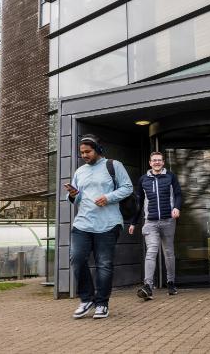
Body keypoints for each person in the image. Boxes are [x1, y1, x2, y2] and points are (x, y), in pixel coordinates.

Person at [65, 134, 133, 319]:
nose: (85, 155)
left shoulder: (114, 165)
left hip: (108, 223)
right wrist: (72, 194)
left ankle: (102, 303)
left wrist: (108, 197)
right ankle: (86, 299)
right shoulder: (80, 171)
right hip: (83, 223)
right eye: (82, 152)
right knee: (77, 259)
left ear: (98, 150)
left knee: (104, 264)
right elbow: (76, 198)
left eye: (88, 151)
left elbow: (128, 187)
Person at [129, 151, 182, 300]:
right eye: (154, 160)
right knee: (151, 251)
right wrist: (133, 222)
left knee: (168, 253)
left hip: (168, 221)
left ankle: (171, 282)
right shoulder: (143, 180)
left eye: (159, 160)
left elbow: (178, 194)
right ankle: (148, 286)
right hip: (150, 222)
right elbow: (139, 203)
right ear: (150, 163)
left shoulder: (170, 176)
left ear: (163, 162)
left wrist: (176, 207)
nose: (157, 162)